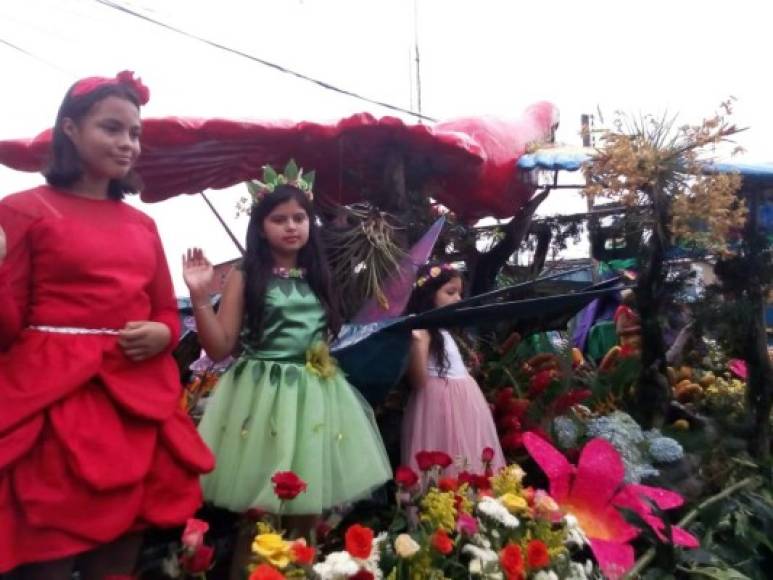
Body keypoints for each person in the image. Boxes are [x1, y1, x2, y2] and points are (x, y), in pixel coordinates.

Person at [0, 71, 214, 580]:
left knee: (121, 554)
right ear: (70, 129)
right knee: (44, 552)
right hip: (50, 403)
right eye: (112, 128)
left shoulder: (142, 224)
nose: (127, 144)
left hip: (133, 401)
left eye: (135, 133)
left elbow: (164, 309)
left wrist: (163, 334)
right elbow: (7, 331)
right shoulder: (21, 210)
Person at [183, 162, 391, 578]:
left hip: (315, 399)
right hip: (261, 401)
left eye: (299, 218)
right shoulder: (245, 276)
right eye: (279, 219)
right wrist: (201, 297)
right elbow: (220, 347)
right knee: (260, 519)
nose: (291, 226)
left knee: (304, 516)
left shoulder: (319, 275)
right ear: (261, 227)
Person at [401, 263, 505, 477]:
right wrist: (417, 342)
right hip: (437, 405)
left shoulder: (445, 331)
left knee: (469, 457)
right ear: (428, 294)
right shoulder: (422, 330)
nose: (458, 299)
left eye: (459, 293)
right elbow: (418, 381)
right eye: (450, 292)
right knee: (442, 457)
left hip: (466, 403)